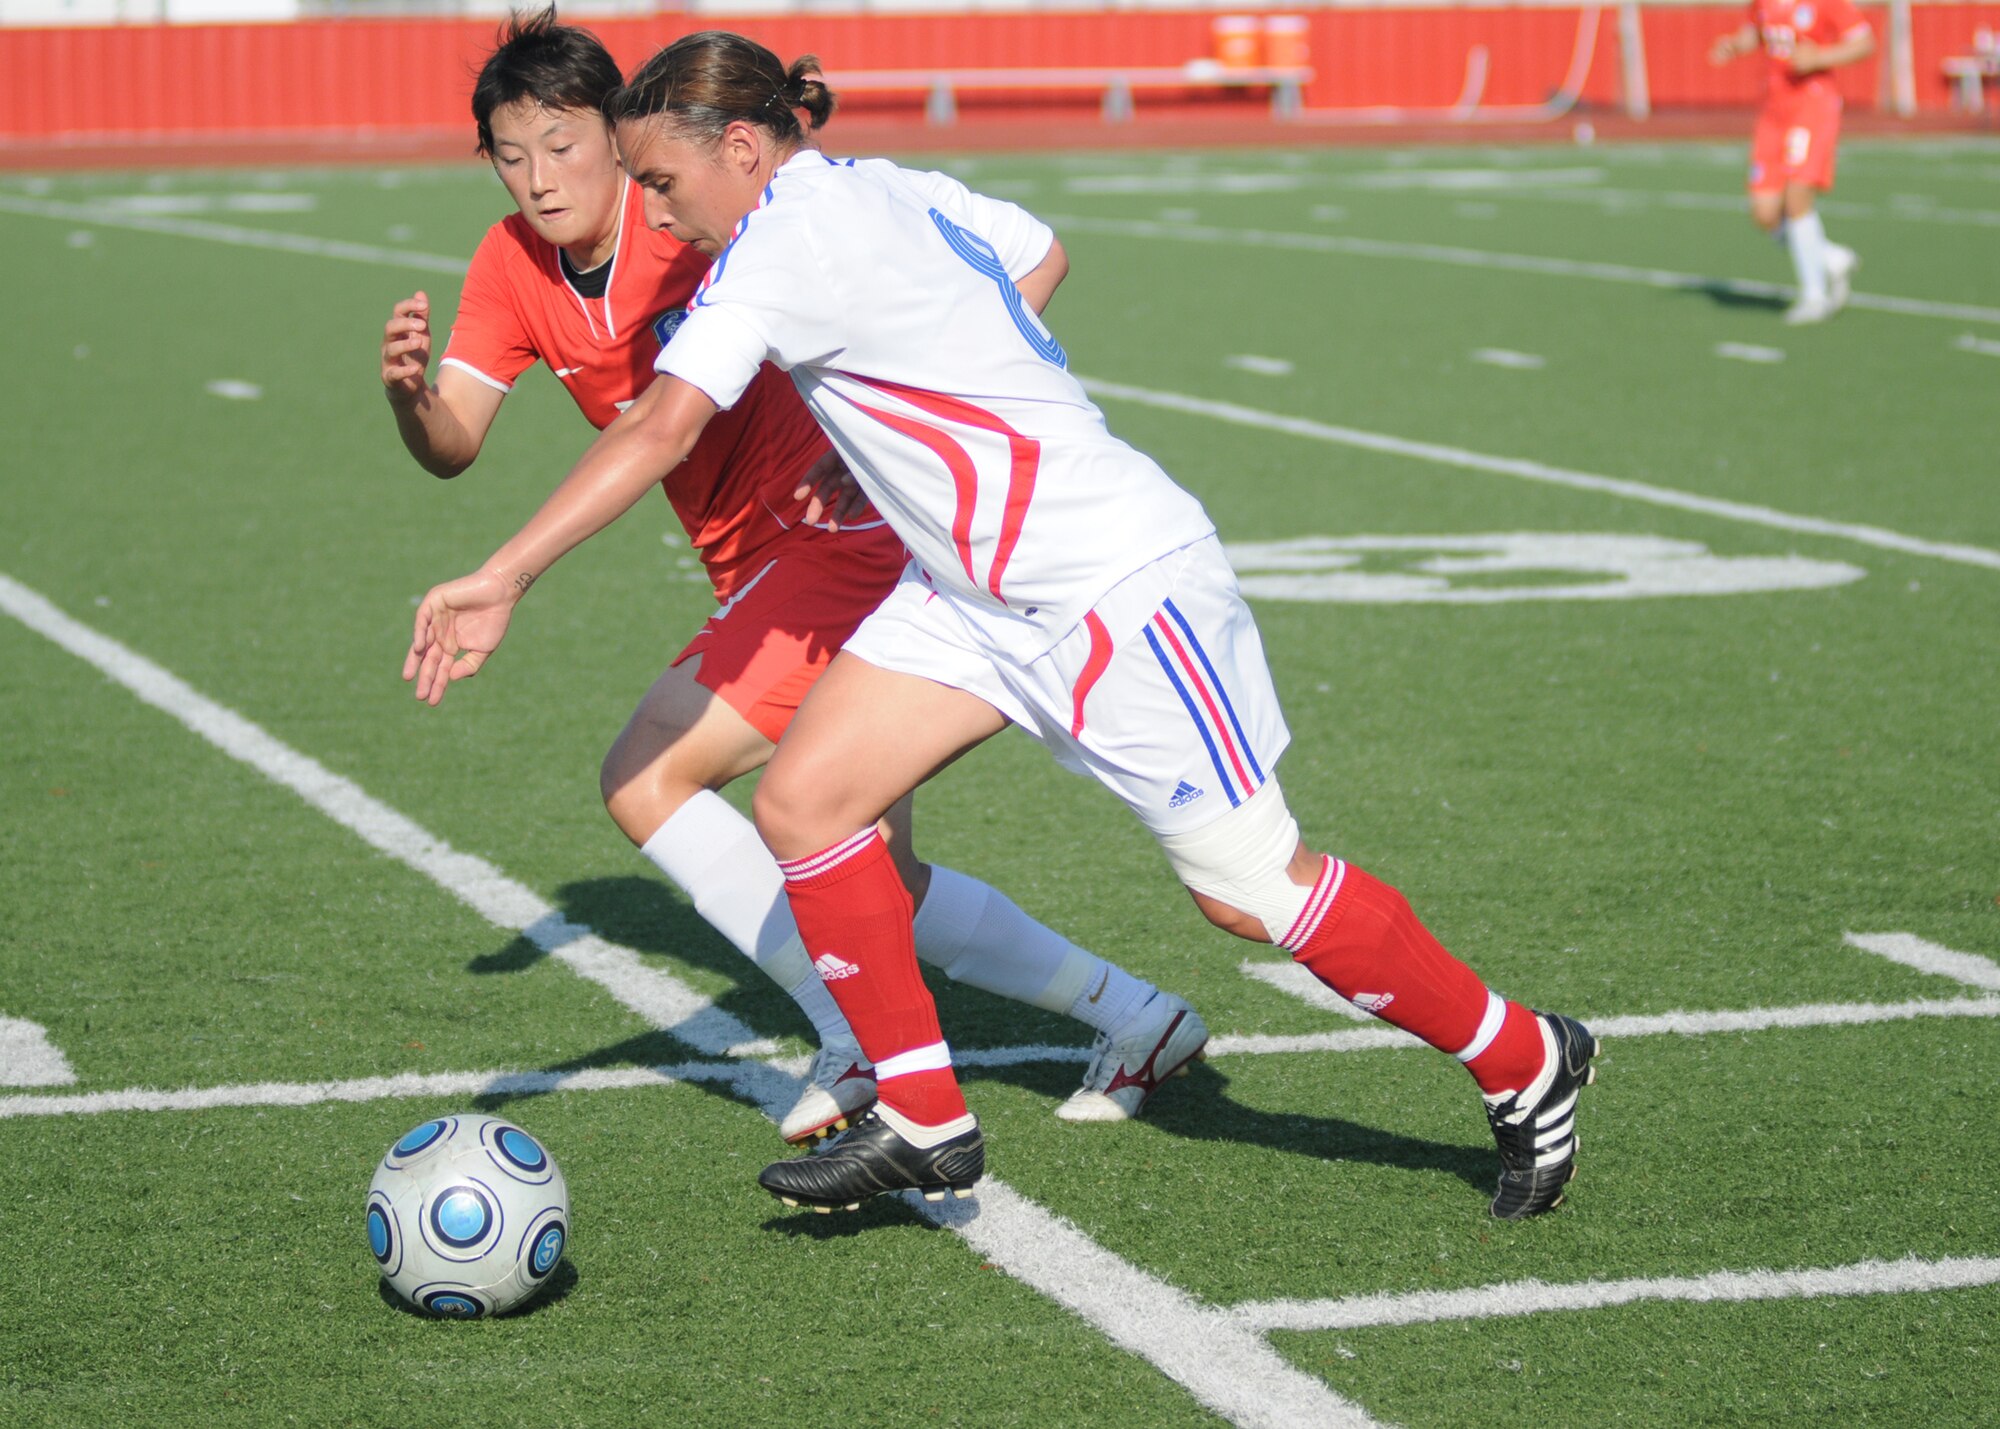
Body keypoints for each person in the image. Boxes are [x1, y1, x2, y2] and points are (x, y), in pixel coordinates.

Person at [403, 31, 1599, 1222]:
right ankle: (924, 1112)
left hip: (1110, 585)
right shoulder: (884, 186)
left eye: (661, 182)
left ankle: (1524, 1059)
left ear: (744, 146)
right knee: (804, 803)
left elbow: (659, 427)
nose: (654, 212)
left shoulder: (780, 247)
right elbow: (1036, 252)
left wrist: (503, 575)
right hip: (965, 597)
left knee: (1248, 891)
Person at [385, 10, 1208, 1147]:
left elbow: (672, 421)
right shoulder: (508, 264)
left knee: (648, 777)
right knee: (878, 880)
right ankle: (1136, 1016)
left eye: (565, 144)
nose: (540, 178)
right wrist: (407, 399)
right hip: (765, 567)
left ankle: (858, 1042)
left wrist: (902, 408)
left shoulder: (698, 210)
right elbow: (455, 439)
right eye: (510, 154)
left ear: (619, 138)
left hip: (842, 550)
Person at [1710, 0, 1875, 324]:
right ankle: (1831, 258)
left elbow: (1865, 42)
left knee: (1797, 198)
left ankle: (1814, 296)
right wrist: (1734, 45)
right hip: (1774, 112)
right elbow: (1755, 31)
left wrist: (1821, 57)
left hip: (1812, 106)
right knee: (1765, 212)